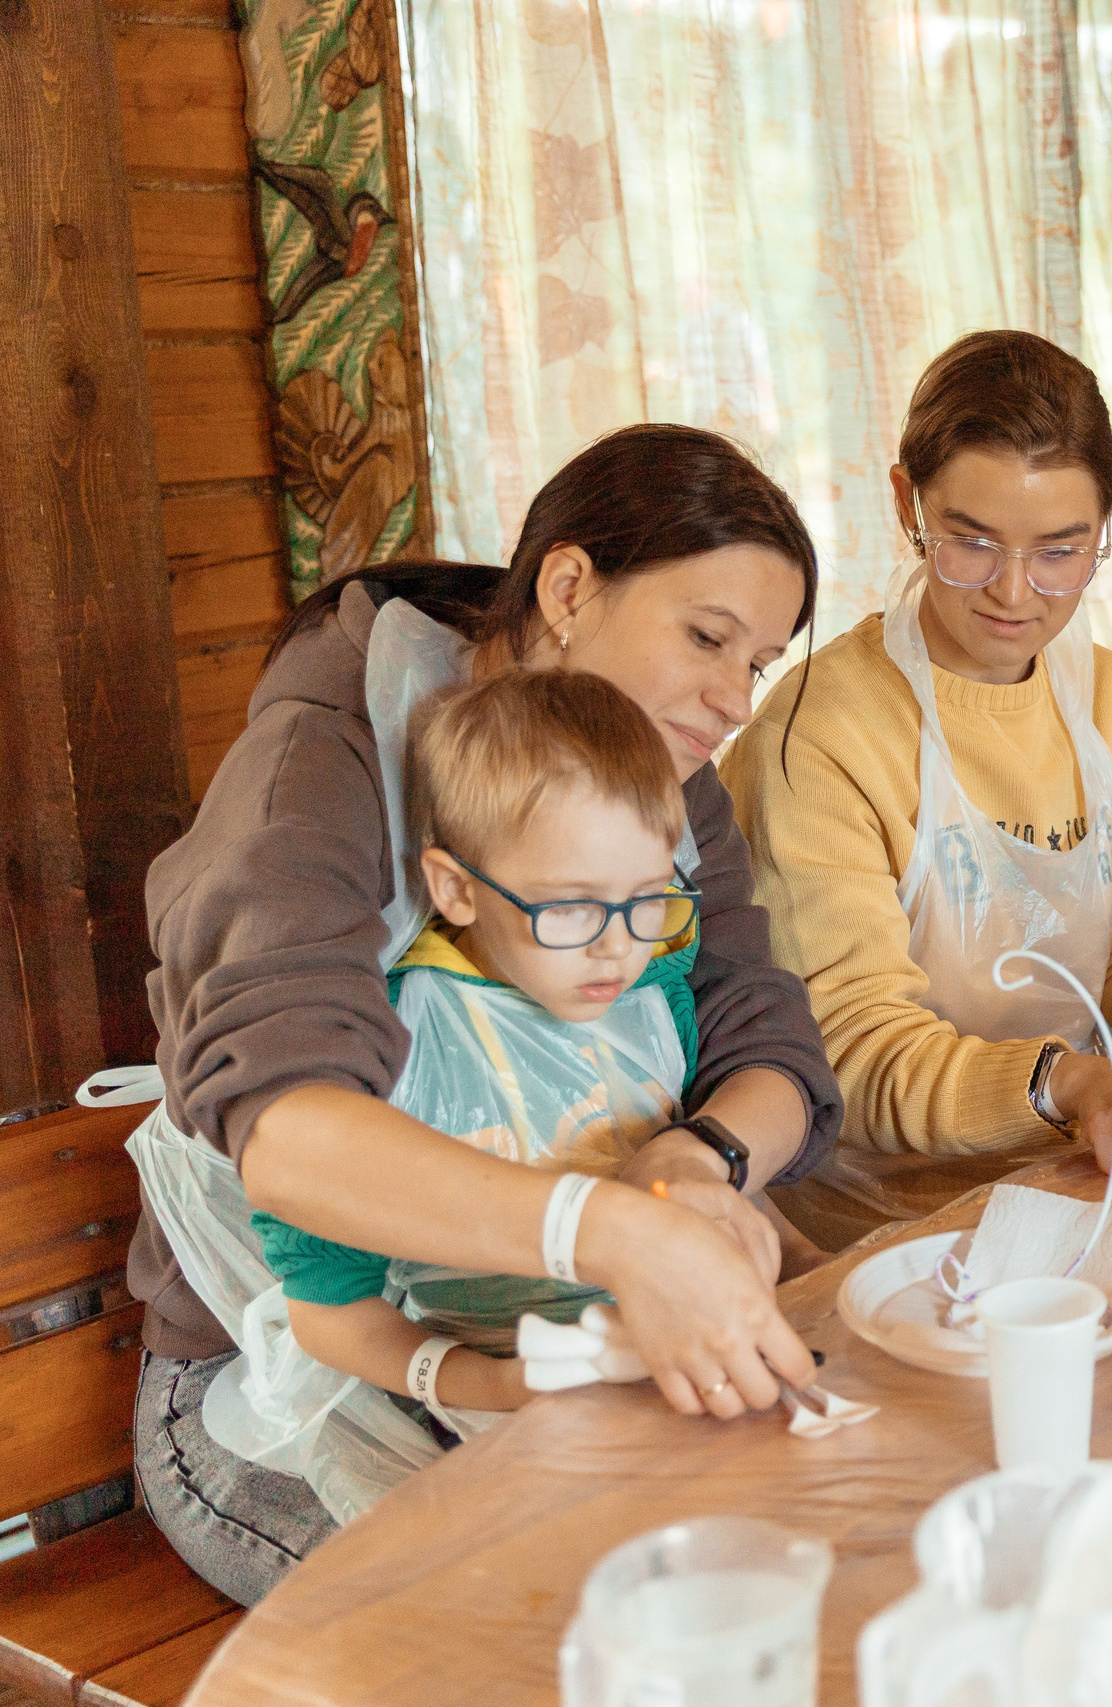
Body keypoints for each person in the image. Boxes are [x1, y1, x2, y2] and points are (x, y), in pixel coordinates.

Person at [127, 424, 843, 1604]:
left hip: (557, 1332)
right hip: (286, 1376)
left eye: (758, 663)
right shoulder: (324, 760)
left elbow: (763, 1035)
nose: (733, 701)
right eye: (707, 639)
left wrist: (696, 1160)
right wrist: (612, 1233)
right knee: (537, 1633)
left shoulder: (667, 778)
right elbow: (291, 1130)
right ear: (568, 588)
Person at [723, 331, 1112, 1243]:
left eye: (1061, 552)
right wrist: (1070, 1080)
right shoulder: (823, 732)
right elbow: (849, 1059)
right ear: (907, 504)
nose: (1015, 593)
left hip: (1063, 1183)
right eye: (970, 542)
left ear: (1103, 533)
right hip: (864, 1220)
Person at [254, 671, 713, 1421]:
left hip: (657, 1376)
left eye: (648, 898)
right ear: (457, 890)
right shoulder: (389, 1042)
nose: (618, 949)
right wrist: (494, 1387)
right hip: (477, 1399)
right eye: (571, 907)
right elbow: (328, 1309)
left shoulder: (655, 997)